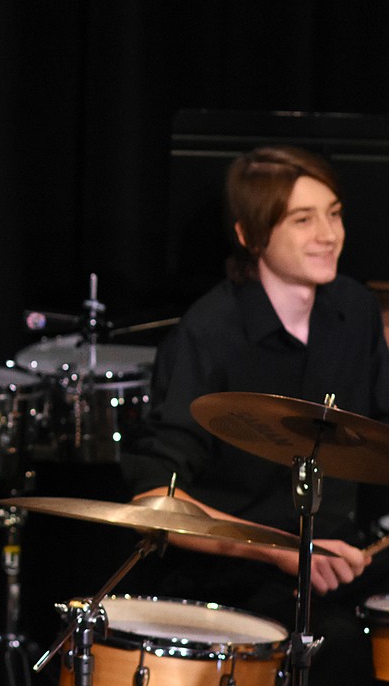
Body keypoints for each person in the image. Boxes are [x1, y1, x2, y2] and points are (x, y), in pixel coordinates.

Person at [122, 145, 389, 684]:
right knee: (336, 652)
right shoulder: (208, 334)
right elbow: (157, 501)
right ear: (249, 235)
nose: (329, 234)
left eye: (334, 214)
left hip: (340, 567)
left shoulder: (355, 311)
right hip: (232, 582)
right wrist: (285, 551)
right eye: (302, 219)